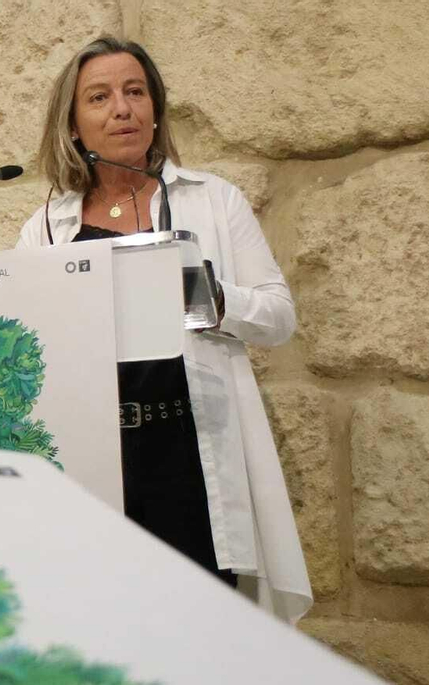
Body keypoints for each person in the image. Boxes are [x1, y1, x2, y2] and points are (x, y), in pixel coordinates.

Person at [17, 36, 312, 623]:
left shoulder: (214, 201)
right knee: (107, 627)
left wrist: (202, 295)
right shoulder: (45, 230)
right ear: (74, 125)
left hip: (188, 452)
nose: (121, 108)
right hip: (96, 461)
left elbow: (279, 318)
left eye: (135, 92)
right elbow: (32, 348)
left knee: (206, 628)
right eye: (99, 97)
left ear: (154, 110)